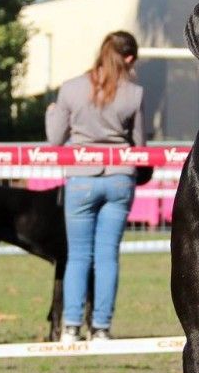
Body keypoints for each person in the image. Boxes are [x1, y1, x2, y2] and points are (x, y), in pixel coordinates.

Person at [46, 31, 146, 343]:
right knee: (107, 257)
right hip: (119, 178)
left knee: (78, 256)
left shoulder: (71, 88)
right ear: (129, 58)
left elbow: (54, 139)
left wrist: (51, 113)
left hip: (81, 179)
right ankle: (101, 327)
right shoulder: (135, 93)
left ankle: (71, 326)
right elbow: (140, 144)